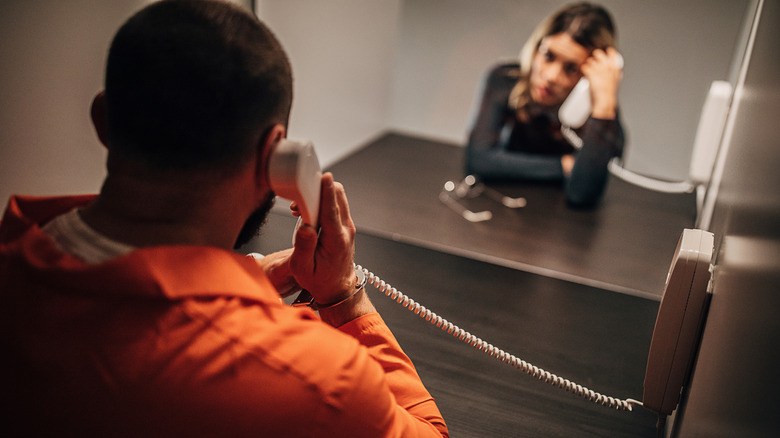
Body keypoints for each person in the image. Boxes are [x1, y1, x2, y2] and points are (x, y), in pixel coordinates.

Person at [0, 1, 448, 436]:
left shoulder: (15, 259)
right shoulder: (319, 380)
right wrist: (342, 296)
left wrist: (251, 274)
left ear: (102, 120)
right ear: (276, 158)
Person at [465, 2, 624, 207]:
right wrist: (563, 166)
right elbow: (479, 160)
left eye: (571, 68)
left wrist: (603, 107)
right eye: (548, 55)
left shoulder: (603, 114)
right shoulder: (504, 80)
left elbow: (582, 195)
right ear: (536, 46)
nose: (550, 77)